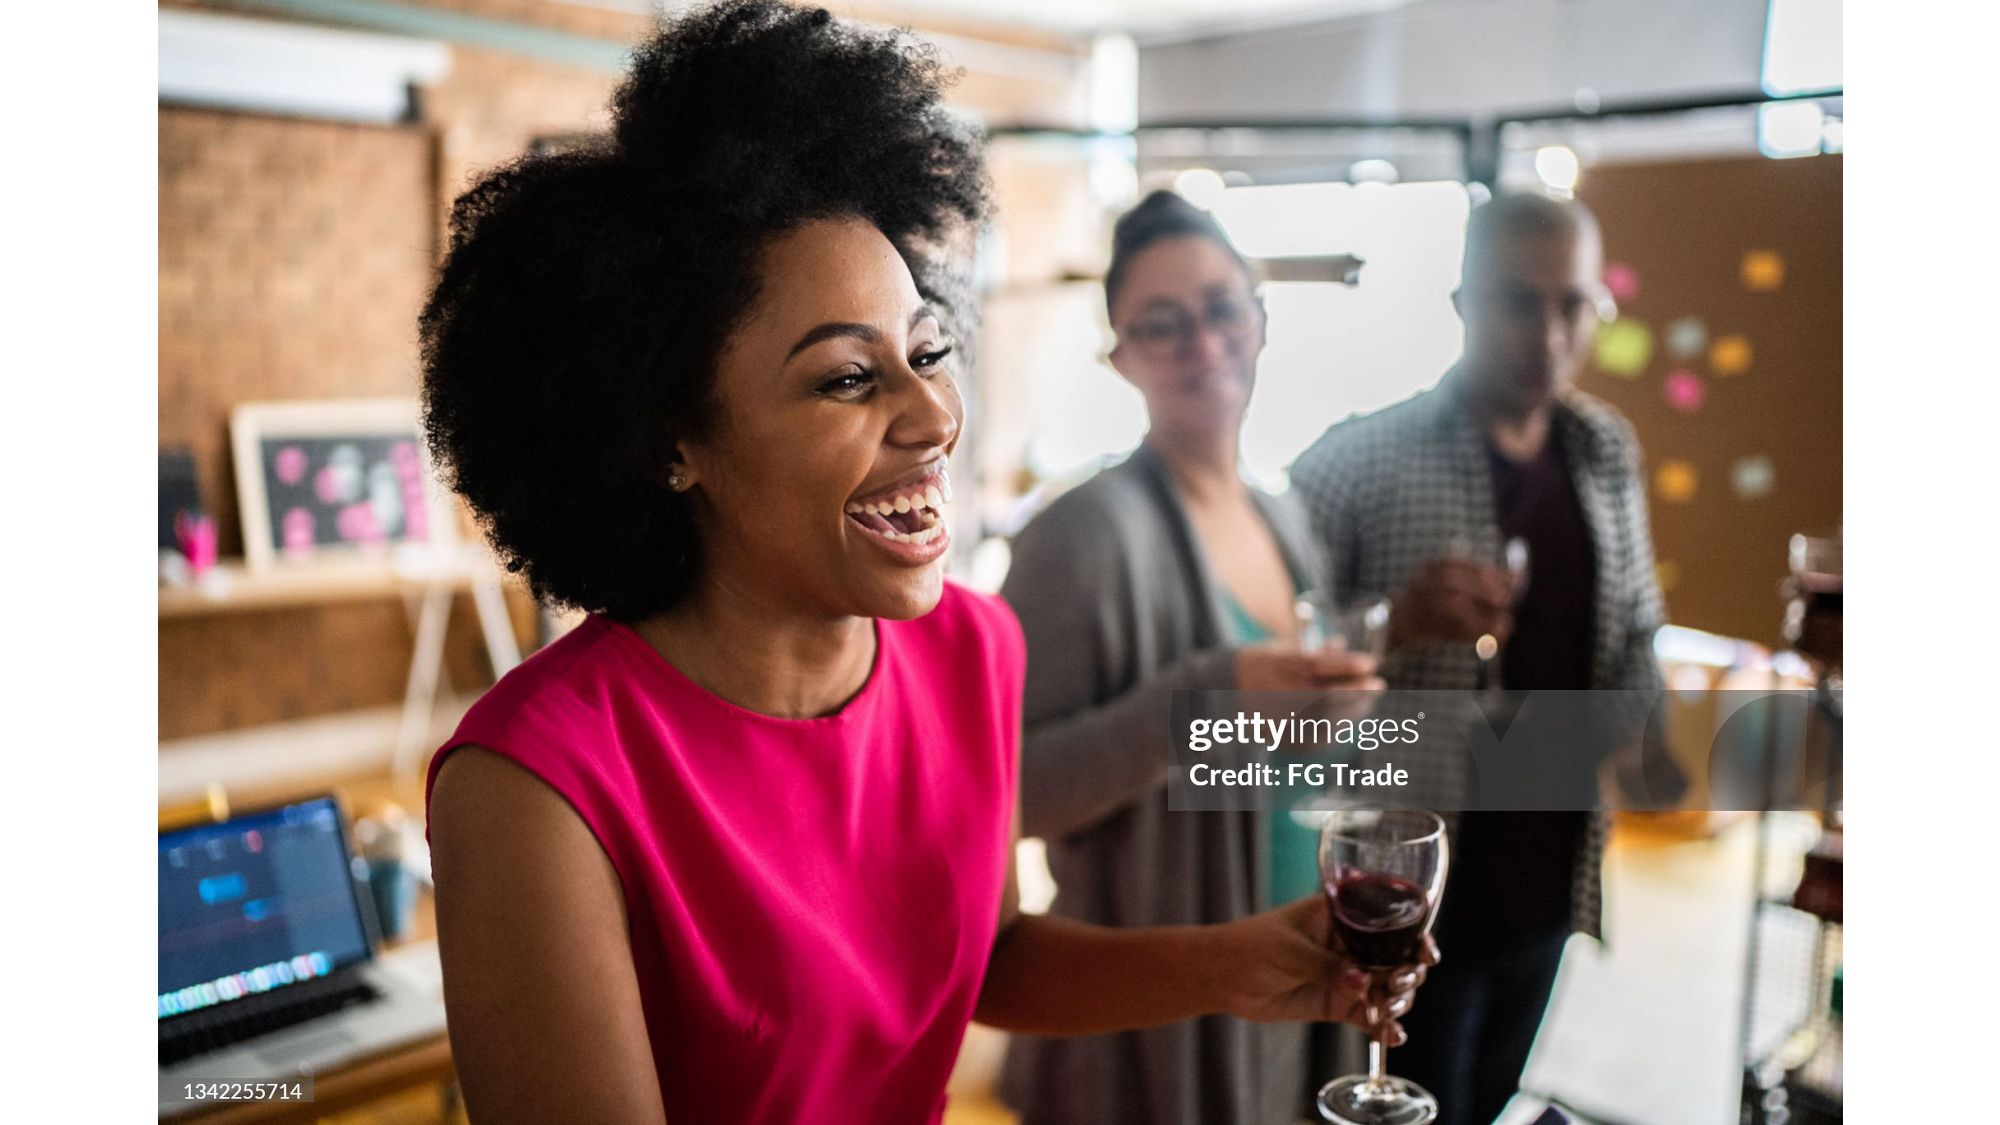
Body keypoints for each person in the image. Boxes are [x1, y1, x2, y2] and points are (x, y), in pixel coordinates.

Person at [417, 5, 1430, 1123]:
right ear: (671, 441)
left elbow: (986, 962)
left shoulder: (969, 649)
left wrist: (1227, 964)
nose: (933, 416)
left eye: (928, 353)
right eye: (848, 378)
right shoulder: (536, 787)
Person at [998, 190, 1388, 1125]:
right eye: (1161, 324)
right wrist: (1200, 705)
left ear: (1261, 320)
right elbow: (1005, 791)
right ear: (1119, 356)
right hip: (1151, 1008)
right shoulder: (1076, 536)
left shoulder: (1283, 514)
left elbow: (1267, 741)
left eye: (1221, 310)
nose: (1202, 344)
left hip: (1294, 959)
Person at [1288, 192, 1667, 1125]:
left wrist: (1626, 731)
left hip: (1548, 880)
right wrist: (1395, 622)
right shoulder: (1356, 461)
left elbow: (1637, 635)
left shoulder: (1604, 451)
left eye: (1572, 305)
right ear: (1462, 304)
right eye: (1517, 302)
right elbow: (1272, 660)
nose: (1548, 333)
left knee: (1489, 1104)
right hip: (1405, 899)